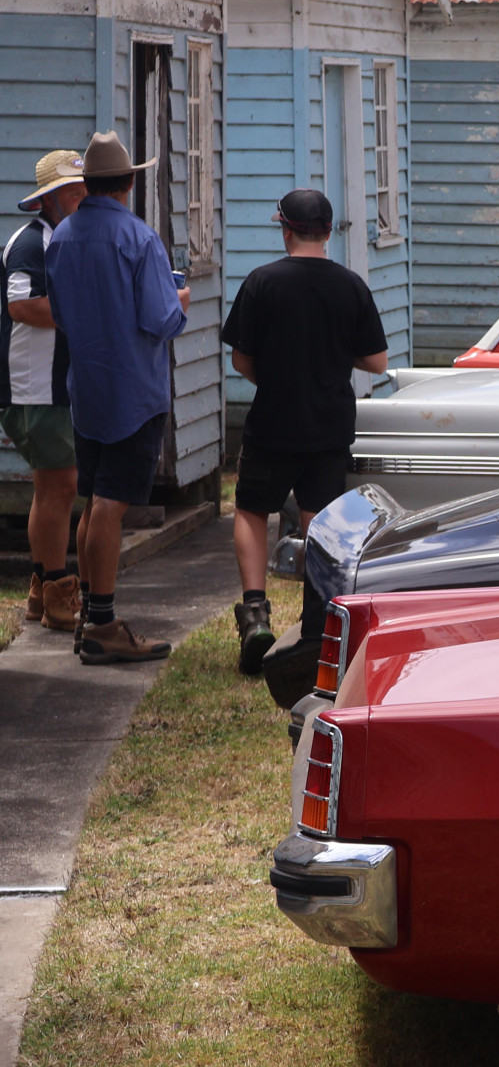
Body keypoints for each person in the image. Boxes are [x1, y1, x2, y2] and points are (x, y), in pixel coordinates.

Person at [222, 189, 387, 674]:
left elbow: (240, 358)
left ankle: (255, 616)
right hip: (329, 427)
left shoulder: (262, 282)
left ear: (285, 229)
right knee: (320, 521)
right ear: (329, 232)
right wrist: (336, 354)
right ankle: (317, 625)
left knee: (252, 509)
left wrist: (273, 376)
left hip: (272, 421)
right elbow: (376, 361)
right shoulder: (350, 285)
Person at [43, 131, 188, 664]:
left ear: (88, 184)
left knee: (93, 500)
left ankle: (90, 615)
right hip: (133, 390)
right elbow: (160, 317)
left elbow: (59, 314)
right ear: (129, 182)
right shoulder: (139, 239)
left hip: (88, 388)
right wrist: (180, 299)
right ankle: (103, 623)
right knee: (111, 504)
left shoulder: (60, 239)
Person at [4, 150, 87, 632]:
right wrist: (86, 312)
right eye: (77, 192)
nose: (84, 199)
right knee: (62, 485)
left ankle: (40, 587)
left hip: (49, 386)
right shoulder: (32, 244)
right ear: (51, 199)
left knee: (49, 487)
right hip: (34, 386)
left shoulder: (59, 240)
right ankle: (58, 591)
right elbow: (21, 305)